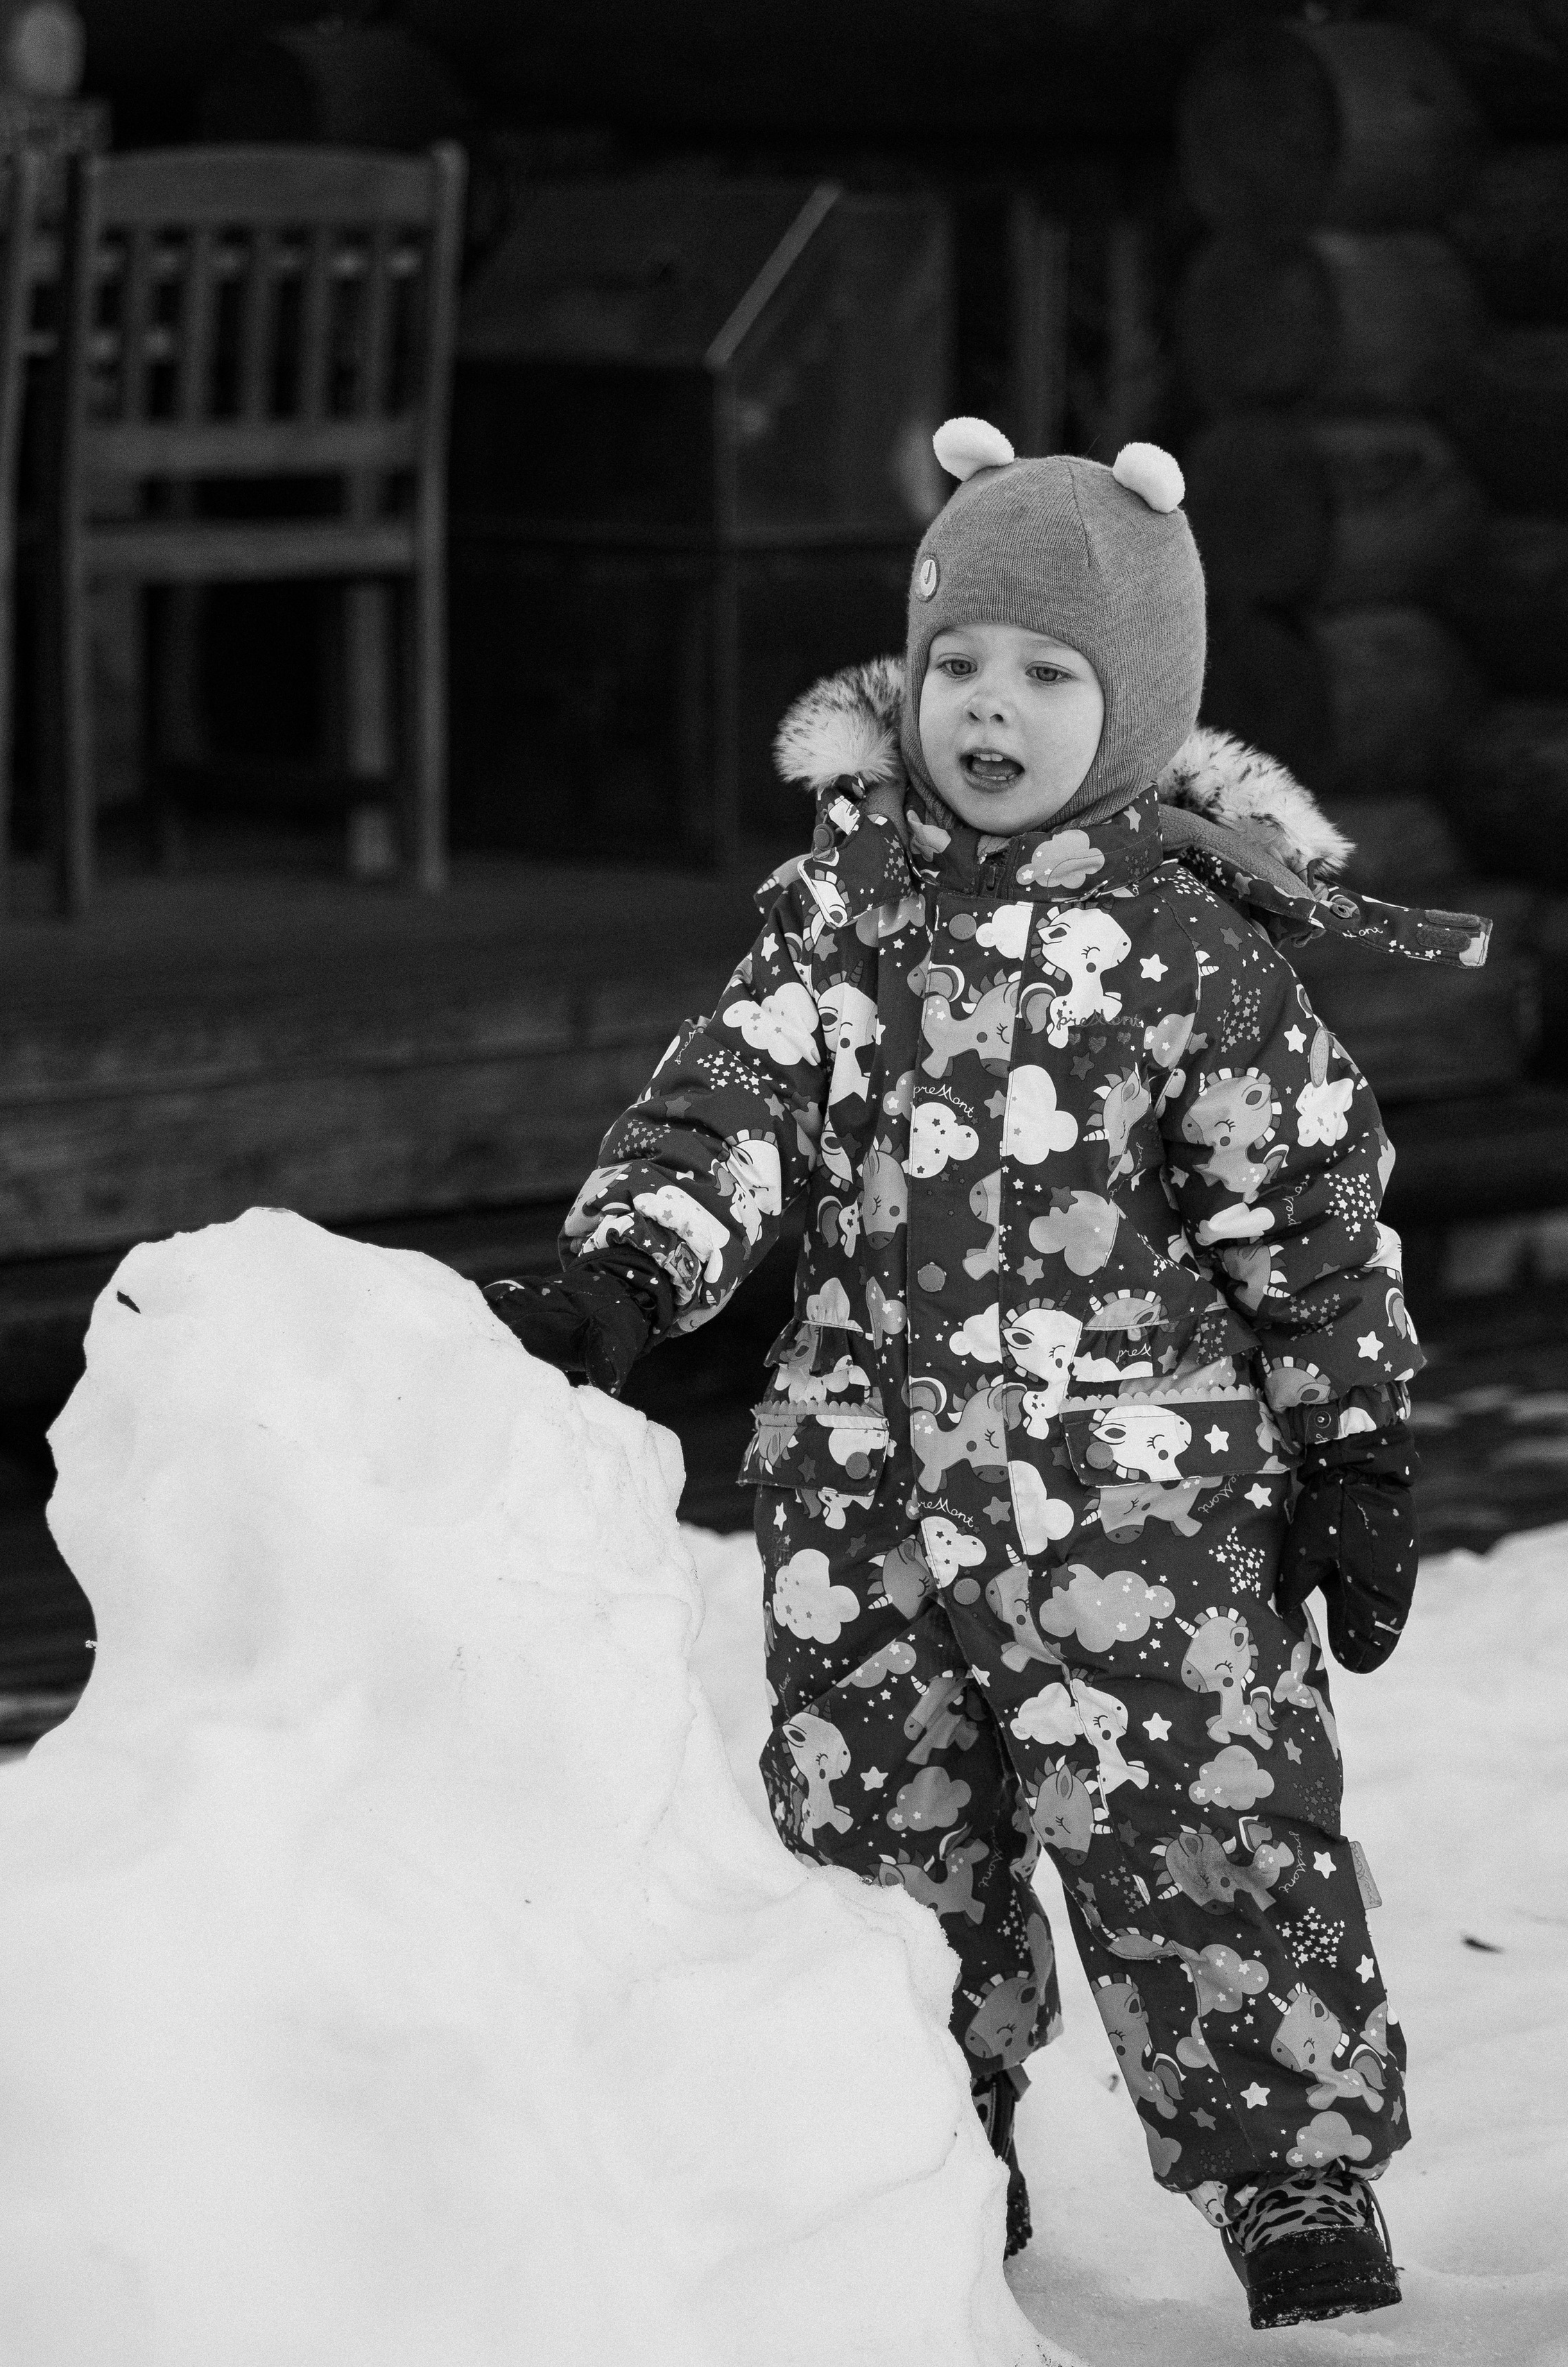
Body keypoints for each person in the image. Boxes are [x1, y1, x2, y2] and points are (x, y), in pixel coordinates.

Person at [485, 420, 1488, 2332]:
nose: (990, 707)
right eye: (957, 662)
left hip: (1148, 1523)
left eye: (1048, 672)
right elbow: (729, 1110)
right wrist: (629, 1275)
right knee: (881, 1847)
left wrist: (1355, 1453)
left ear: (1139, 707)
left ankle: (1292, 2176)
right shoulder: (841, 915)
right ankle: (930, 2141)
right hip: (867, 1503)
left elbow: (1308, 1217)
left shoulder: (1195, 956)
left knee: (1209, 1837)